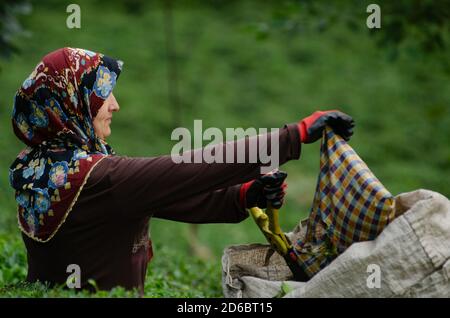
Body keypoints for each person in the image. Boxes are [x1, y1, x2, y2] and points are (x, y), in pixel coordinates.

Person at [9, 47, 354, 294]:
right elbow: (188, 170)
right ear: (71, 103)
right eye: (102, 95)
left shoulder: (40, 168)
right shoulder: (99, 178)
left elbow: (164, 199)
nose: (115, 104)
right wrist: (295, 135)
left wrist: (245, 195)